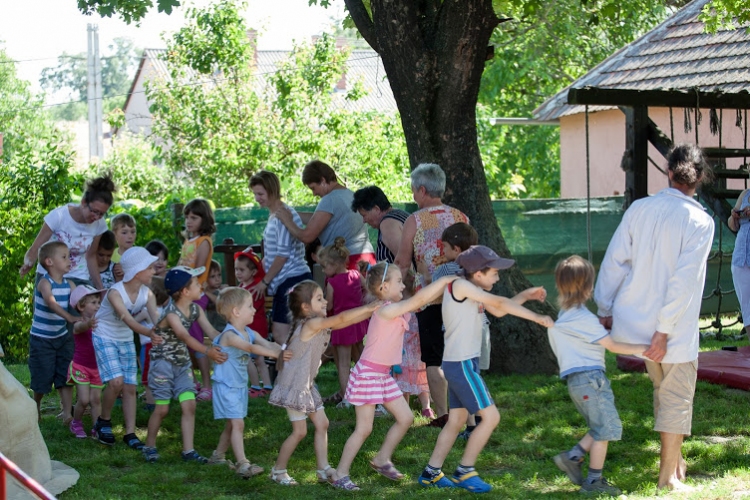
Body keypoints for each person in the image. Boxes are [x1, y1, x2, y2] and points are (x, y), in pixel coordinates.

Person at [594, 143, 714, 491]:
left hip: (633, 324)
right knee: (676, 397)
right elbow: (683, 281)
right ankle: (667, 479)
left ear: (668, 171)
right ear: (700, 178)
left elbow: (616, 260)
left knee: (663, 389)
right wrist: (663, 331)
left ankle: (675, 464)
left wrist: (604, 308)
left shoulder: (640, 208)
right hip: (670, 332)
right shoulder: (701, 221)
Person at [418, 245, 553, 493]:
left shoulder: (473, 289)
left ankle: (431, 472)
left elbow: (499, 309)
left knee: (457, 420)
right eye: (494, 273)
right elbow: (499, 301)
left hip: (461, 364)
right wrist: (538, 318)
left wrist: (526, 295)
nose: (498, 277)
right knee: (491, 417)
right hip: (460, 365)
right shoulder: (459, 286)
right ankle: (465, 470)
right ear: (478, 273)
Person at [330, 263, 459, 491]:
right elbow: (416, 302)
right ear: (384, 286)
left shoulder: (392, 307)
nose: (403, 284)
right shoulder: (385, 310)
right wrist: (443, 281)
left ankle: (382, 459)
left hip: (382, 376)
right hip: (369, 375)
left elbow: (414, 303)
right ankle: (340, 474)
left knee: (406, 418)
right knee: (364, 429)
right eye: (399, 281)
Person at [549, 256, 650, 496]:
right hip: (591, 380)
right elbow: (612, 345)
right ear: (588, 287)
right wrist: (644, 348)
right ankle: (594, 481)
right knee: (606, 428)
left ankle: (573, 457)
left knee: (600, 425)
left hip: (577, 382)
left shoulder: (565, 316)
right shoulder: (584, 319)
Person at [267, 280, 380, 486]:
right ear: (305, 307)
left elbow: (343, 321)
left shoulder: (314, 322)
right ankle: (278, 471)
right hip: (295, 387)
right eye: (319, 298)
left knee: (323, 423)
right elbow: (342, 318)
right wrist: (368, 307)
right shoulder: (311, 324)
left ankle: (323, 468)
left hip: (306, 385)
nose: (325, 301)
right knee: (300, 431)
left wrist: (371, 311)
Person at [394, 163, 469, 427]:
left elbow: (403, 262)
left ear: (422, 190)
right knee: (459, 356)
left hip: (429, 297)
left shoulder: (415, 219)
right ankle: (466, 414)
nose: (414, 196)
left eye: (414, 190)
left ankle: (443, 414)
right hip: (461, 296)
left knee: (434, 359)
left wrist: (389, 288)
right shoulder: (461, 217)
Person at [141, 266, 228, 463]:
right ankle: (149, 445)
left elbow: (211, 332)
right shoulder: (171, 313)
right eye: (197, 284)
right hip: (162, 365)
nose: (201, 286)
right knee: (162, 409)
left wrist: (230, 339)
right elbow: (184, 336)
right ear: (185, 291)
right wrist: (208, 352)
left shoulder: (196, 308)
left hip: (182, 365)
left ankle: (188, 451)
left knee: (189, 405)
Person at [208, 287, 288, 478]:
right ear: (236, 311)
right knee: (237, 424)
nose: (254, 310)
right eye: (250, 306)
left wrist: (285, 348)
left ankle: (218, 456)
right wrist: (277, 354)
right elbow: (251, 348)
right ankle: (243, 464)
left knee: (232, 423)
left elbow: (266, 343)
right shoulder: (229, 335)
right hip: (226, 387)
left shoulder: (249, 331)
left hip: (238, 387)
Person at [92, 247, 163, 449]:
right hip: (104, 334)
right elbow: (130, 321)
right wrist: (150, 333)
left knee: (130, 387)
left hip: (124, 338)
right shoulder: (116, 293)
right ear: (137, 271)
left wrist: (164, 332)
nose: (153, 271)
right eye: (150, 268)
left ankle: (130, 433)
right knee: (116, 382)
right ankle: (103, 421)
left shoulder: (147, 293)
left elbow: (157, 319)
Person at [248, 170, 312, 346]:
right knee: (291, 333)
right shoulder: (275, 215)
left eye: (260, 194)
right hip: (289, 279)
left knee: (280, 333)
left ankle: (295, 369)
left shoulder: (282, 215)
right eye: (255, 194)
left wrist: (265, 281)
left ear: (272, 190)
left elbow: (282, 255)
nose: (257, 198)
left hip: (291, 279)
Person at [20, 174, 115, 289]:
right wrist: (29, 262)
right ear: (84, 202)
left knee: (88, 305)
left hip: (78, 277)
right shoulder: (59, 216)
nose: (97, 217)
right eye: (94, 211)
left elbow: (90, 256)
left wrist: (100, 288)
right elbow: (35, 248)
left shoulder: (100, 224)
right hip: (51, 276)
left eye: (101, 214)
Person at [275, 160, 376, 269]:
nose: (314, 194)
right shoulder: (350, 194)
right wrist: (293, 214)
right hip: (366, 258)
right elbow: (318, 220)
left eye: (313, 188)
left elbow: (307, 236)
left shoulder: (329, 200)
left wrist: (287, 221)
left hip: (346, 262)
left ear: (323, 180)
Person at [28, 241, 78, 422]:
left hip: (62, 338)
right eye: (64, 257)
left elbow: (80, 301)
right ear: (49, 261)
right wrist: (70, 317)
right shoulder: (44, 283)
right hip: (41, 340)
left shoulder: (69, 284)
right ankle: (36, 407)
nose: (69, 260)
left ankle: (66, 413)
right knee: (42, 378)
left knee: (65, 374)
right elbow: (51, 302)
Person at [317, 237, 368, 407]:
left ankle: (347, 397)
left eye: (325, 267)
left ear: (335, 264)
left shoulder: (332, 282)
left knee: (344, 364)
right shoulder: (356, 274)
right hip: (358, 322)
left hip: (341, 324)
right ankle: (368, 390)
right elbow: (367, 289)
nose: (324, 271)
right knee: (361, 358)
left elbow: (329, 304)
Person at [179, 198, 216, 401]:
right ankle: (192, 382)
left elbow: (198, 270)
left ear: (204, 219)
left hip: (195, 296)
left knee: (197, 341)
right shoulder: (188, 242)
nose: (189, 221)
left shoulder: (204, 242)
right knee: (184, 340)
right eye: (187, 217)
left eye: (194, 217)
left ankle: (207, 385)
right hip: (183, 296)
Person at [234, 249, 273, 396]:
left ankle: (257, 386)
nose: (238, 273)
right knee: (257, 358)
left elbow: (246, 309)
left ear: (253, 272)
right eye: (236, 269)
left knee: (251, 358)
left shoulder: (254, 289)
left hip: (254, 328)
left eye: (242, 270)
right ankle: (266, 386)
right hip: (249, 328)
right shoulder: (242, 287)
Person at [67, 285, 104, 438]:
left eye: (98, 302)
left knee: (95, 399)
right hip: (81, 366)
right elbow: (80, 328)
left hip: (97, 368)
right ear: (81, 306)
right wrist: (88, 324)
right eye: (93, 303)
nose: (98, 305)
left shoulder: (102, 323)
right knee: (83, 399)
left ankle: (97, 427)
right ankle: (76, 422)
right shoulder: (78, 324)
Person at [351, 186, 409, 263]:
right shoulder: (400, 214)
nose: (364, 220)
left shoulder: (388, 224)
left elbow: (404, 263)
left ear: (376, 209)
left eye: (364, 215)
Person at [110, 213, 137, 281]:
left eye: (133, 232)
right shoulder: (110, 255)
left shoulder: (139, 254)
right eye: (124, 233)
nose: (130, 236)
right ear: (114, 234)